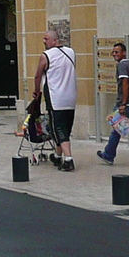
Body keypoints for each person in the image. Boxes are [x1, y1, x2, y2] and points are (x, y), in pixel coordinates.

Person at [29, 27, 78, 171]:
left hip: (56, 98)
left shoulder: (46, 55)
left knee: (59, 129)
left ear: (54, 40)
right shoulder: (71, 52)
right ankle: (57, 156)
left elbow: (38, 76)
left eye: (46, 39)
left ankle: (68, 159)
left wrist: (36, 91)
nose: (44, 41)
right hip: (71, 97)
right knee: (65, 128)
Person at [97, 41, 129, 169]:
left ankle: (109, 155)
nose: (114, 54)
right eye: (113, 52)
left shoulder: (122, 66)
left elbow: (125, 84)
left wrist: (123, 104)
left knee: (117, 129)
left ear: (124, 53)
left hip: (126, 104)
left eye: (117, 52)